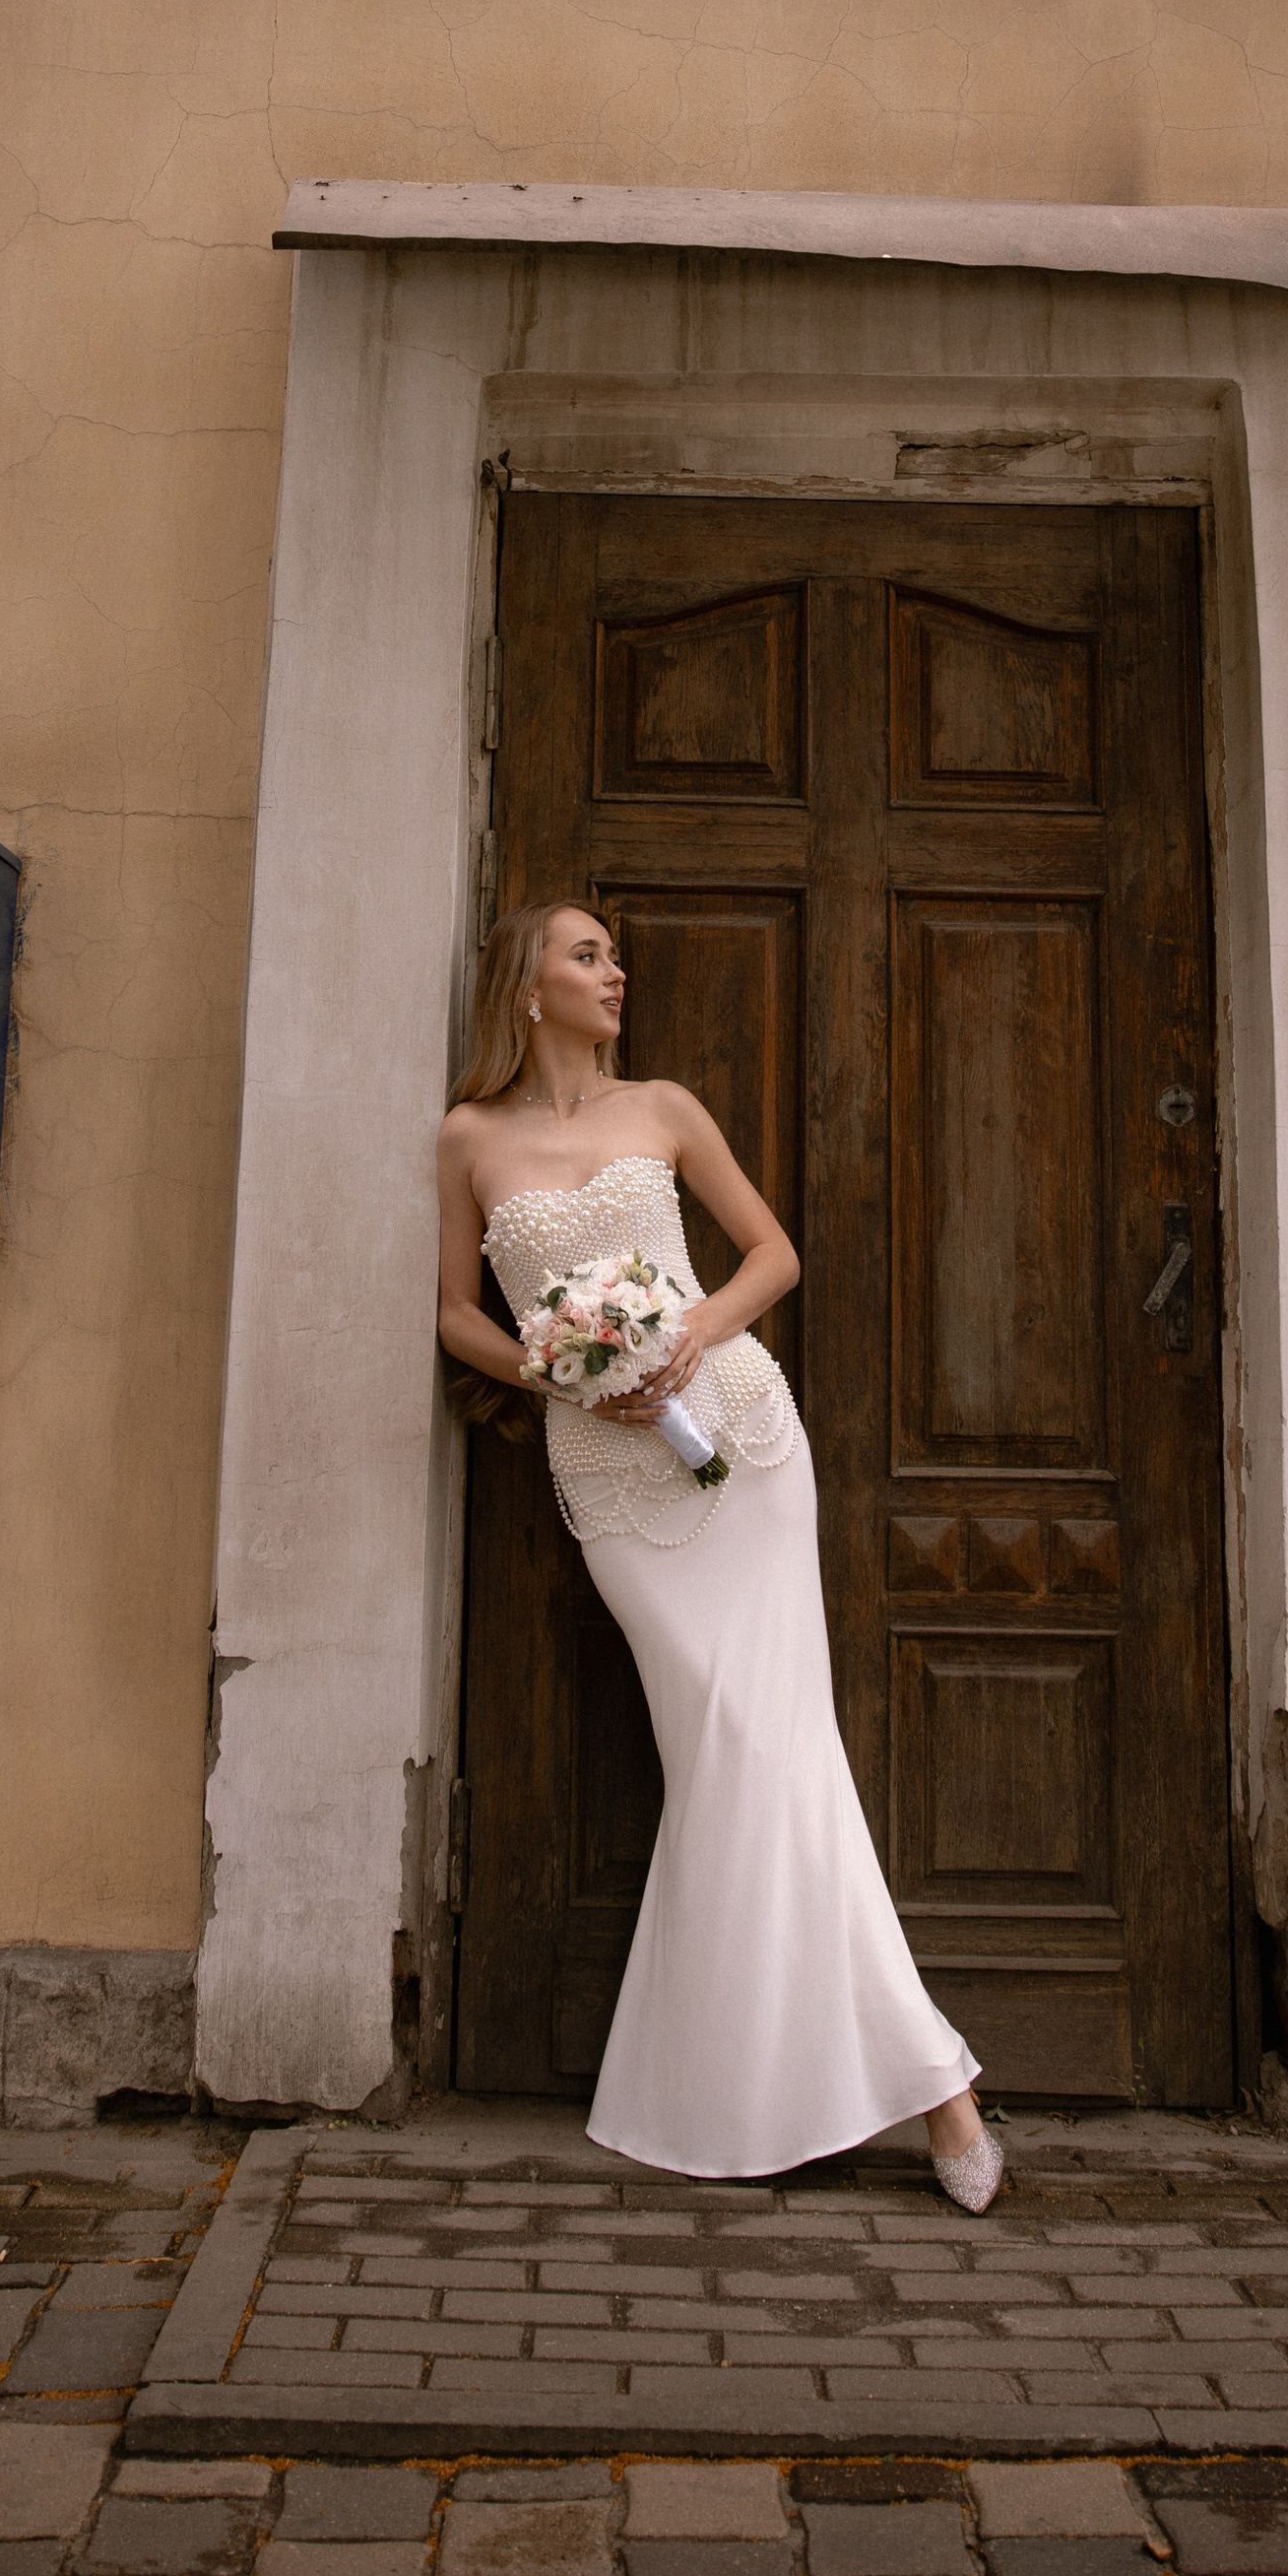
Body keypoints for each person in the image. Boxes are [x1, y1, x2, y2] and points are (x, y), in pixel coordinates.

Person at [436, 896, 1004, 2204]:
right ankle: (865, 2085)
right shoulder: (469, 1138)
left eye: (613, 954)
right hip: (608, 1473)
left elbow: (774, 1256)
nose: (614, 971)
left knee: (775, 1749)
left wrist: (686, 1335)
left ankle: (926, 2090)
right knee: (725, 1758)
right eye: (588, 955)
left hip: (738, 1444)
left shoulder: (668, 1108)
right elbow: (454, 1314)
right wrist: (560, 1367)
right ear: (529, 985)